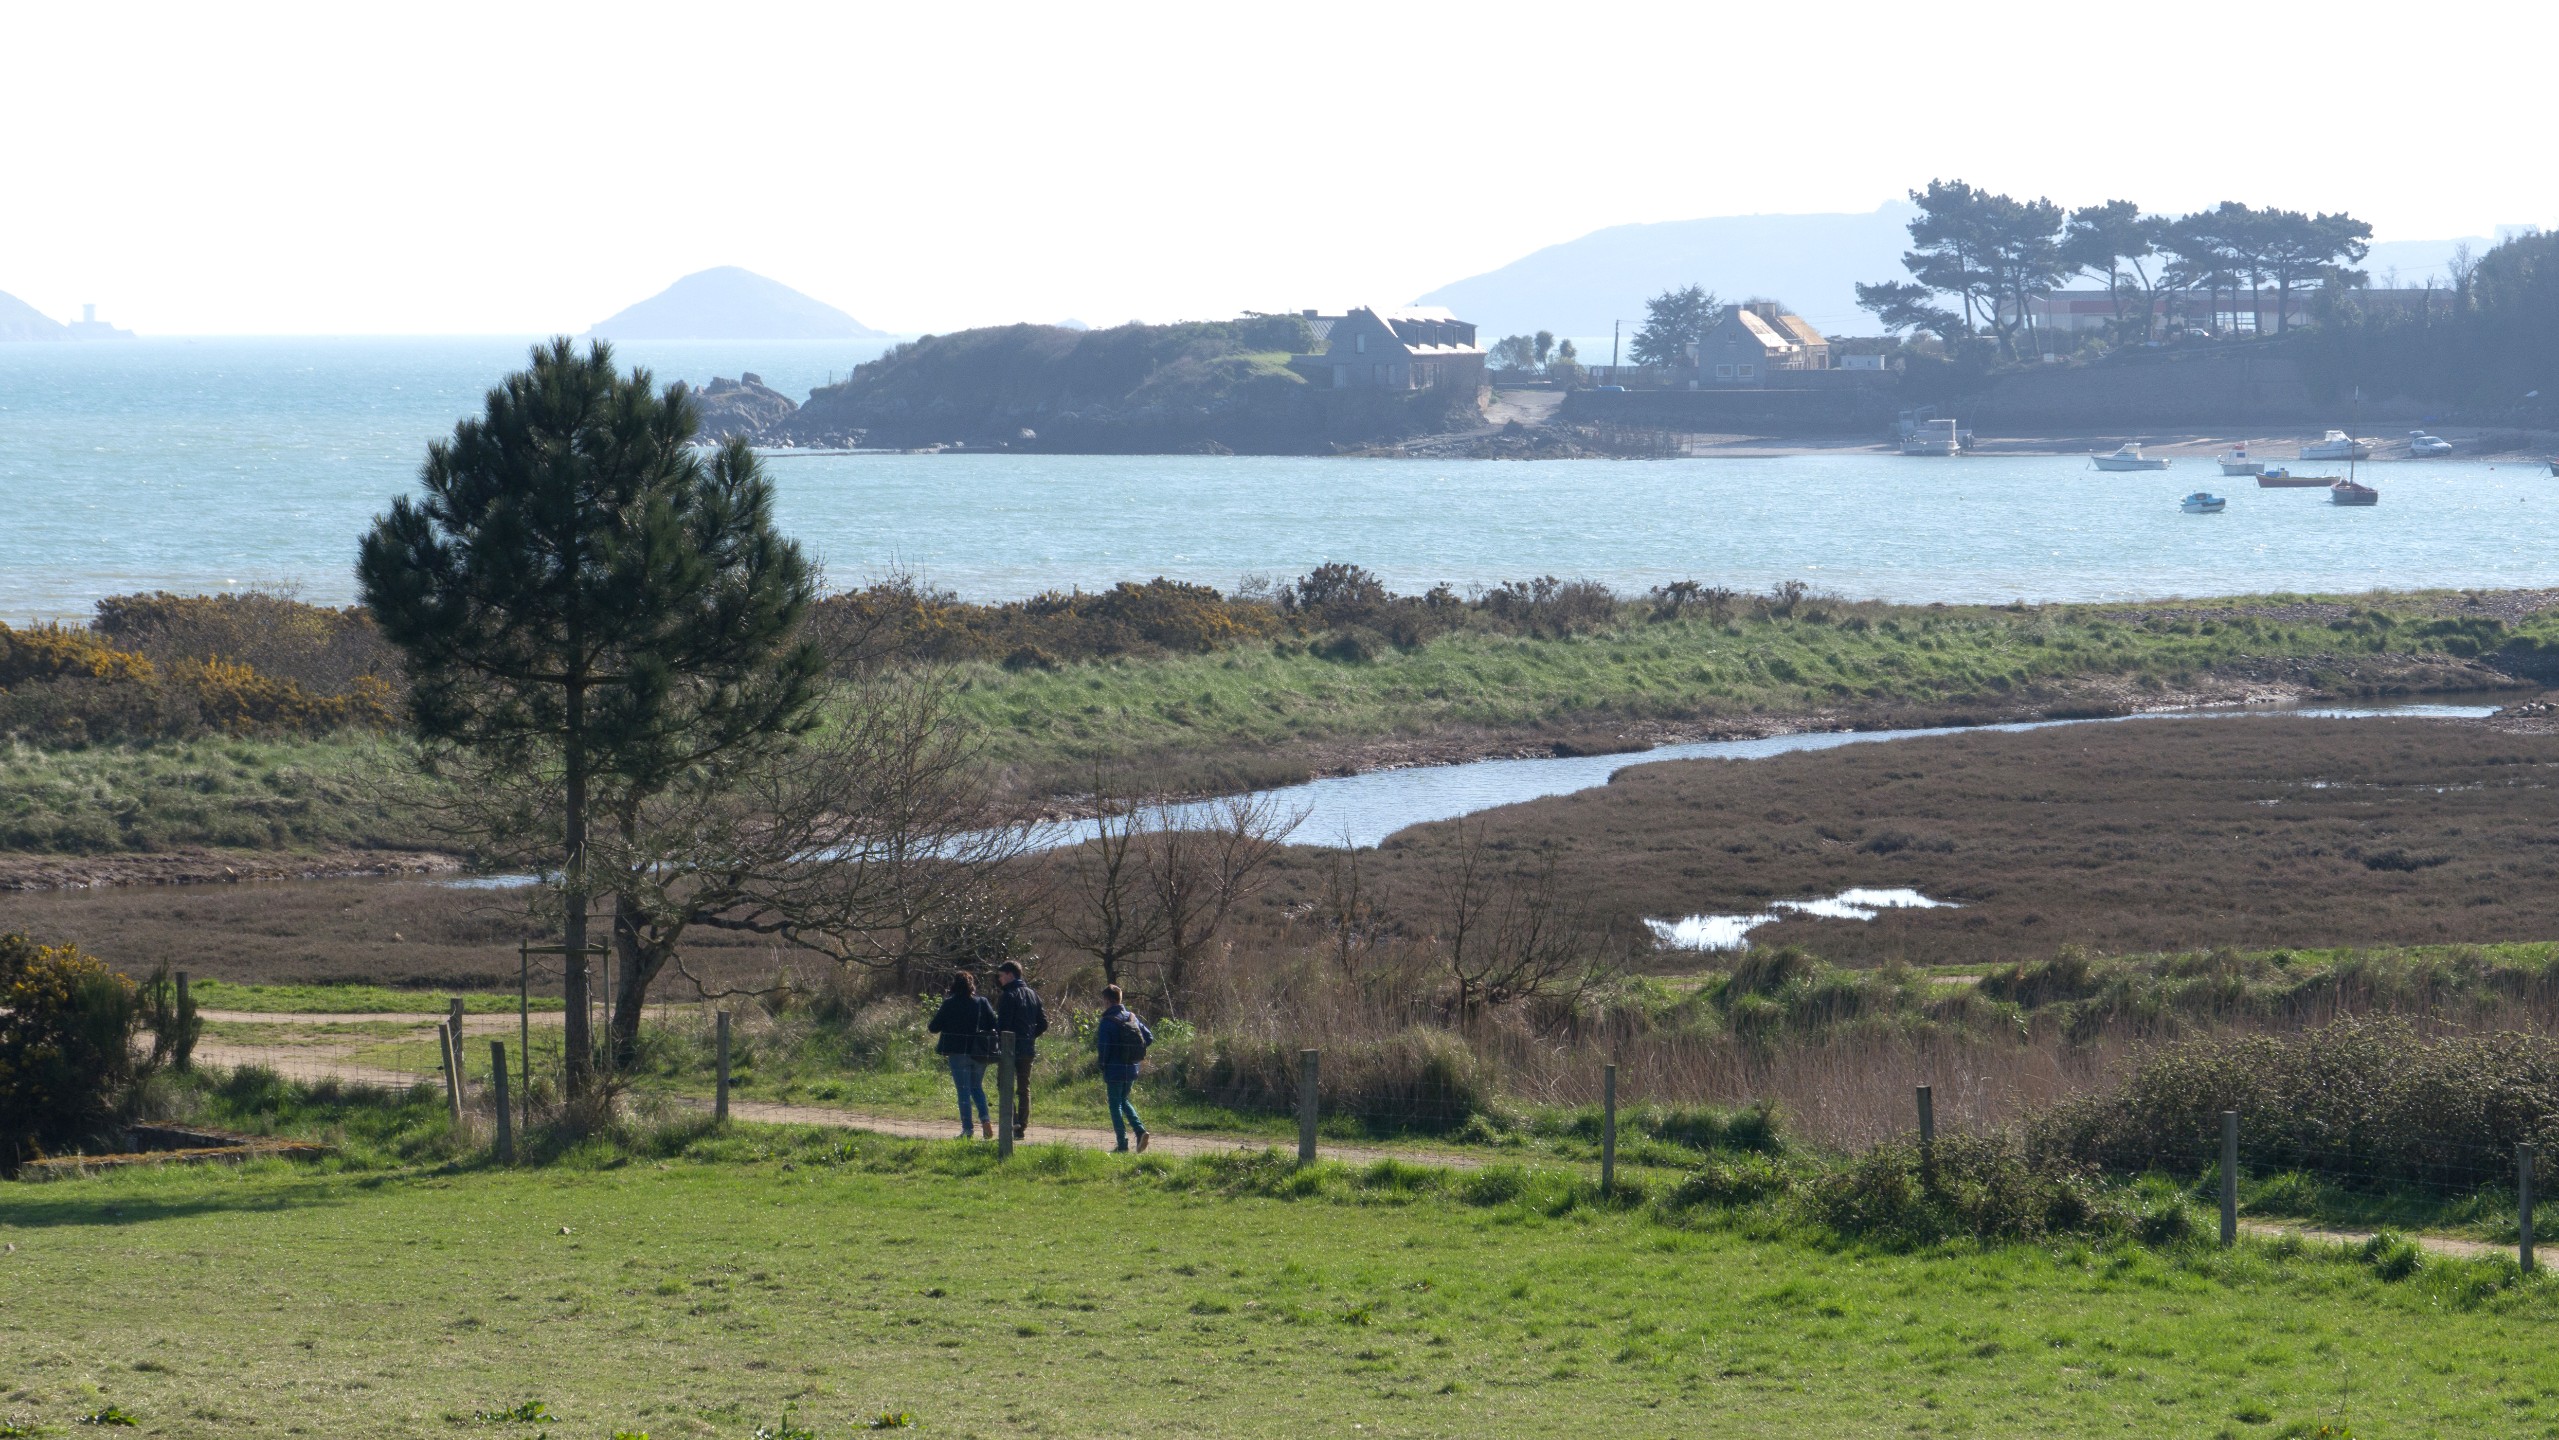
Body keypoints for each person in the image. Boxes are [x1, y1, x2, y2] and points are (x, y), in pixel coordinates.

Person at [926, 970, 998, 1139]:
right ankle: (985, 1120)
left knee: (963, 1091)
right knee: (976, 1087)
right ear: (972, 985)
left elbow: (933, 1027)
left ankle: (968, 1129)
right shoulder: (982, 1002)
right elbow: (994, 1023)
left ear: (954, 985)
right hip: (979, 1052)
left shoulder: (949, 1004)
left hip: (957, 1053)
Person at [992, 959, 1048, 1140]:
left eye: (1001, 976)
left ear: (1010, 974)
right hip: (1027, 1049)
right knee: (1024, 1088)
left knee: (1004, 1085)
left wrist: (1001, 1040)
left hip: (1009, 1048)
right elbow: (1043, 1023)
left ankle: (1012, 1120)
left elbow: (1003, 1025)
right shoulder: (1033, 994)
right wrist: (1030, 1036)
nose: (999, 979)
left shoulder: (1008, 995)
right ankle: (1021, 1127)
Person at [1095, 983, 1153, 1153]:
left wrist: (1102, 1065)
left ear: (1107, 1000)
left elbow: (1104, 1048)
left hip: (1114, 1069)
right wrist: (1132, 1052)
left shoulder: (1107, 1022)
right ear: (1119, 999)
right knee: (1124, 1100)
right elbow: (1149, 1038)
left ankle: (1122, 1145)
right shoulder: (1131, 1017)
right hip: (1132, 1067)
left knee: (1115, 1106)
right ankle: (1140, 1132)